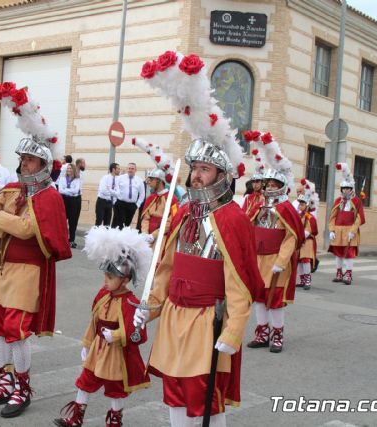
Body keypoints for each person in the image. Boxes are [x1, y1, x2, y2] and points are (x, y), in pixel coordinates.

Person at [133, 52, 262, 427]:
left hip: (208, 320)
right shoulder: (185, 212)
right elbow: (166, 267)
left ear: (221, 174)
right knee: (173, 387)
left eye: (204, 170)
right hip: (175, 314)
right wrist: (151, 306)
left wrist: (234, 330)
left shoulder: (233, 218)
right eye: (194, 170)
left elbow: (241, 283)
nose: (195, 177)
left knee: (204, 394)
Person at [0, 81, 72, 418]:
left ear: (43, 164)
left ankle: (22, 388)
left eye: (30, 160)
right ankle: (3, 384)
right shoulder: (13, 189)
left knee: (16, 332)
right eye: (23, 159)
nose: (24, 165)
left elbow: (27, 229)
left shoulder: (48, 197)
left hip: (27, 273)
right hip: (1, 268)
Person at [54, 226, 152, 427]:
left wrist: (116, 335)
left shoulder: (130, 302)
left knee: (115, 387)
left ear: (125, 280)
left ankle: (115, 421)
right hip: (97, 349)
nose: (105, 280)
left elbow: (137, 335)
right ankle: (76, 417)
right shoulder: (102, 295)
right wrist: (87, 343)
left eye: (111, 277)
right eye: (105, 275)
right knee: (85, 381)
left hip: (115, 354)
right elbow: (94, 322)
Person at [246, 131, 304, 354]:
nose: (269, 188)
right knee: (260, 297)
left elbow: (292, 237)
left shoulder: (286, 208)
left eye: (273, 184)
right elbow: (250, 230)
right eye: (267, 184)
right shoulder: (259, 205)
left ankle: (277, 334)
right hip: (258, 259)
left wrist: (281, 261)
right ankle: (261, 332)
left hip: (276, 260)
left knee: (275, 299)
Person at [132, 137, 178, 247]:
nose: (148, 182)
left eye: (151, 180)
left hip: (162, 238)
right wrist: (144, 233)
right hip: (146, 237)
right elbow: (145, 218)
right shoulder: (150, 198)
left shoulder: (173, 199)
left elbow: (171, 221)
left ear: (159, 181)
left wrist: (154, 235)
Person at [328, 162, 366, 285]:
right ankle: (339, 273)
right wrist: (332, 230)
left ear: (351, 189)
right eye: (344, 188)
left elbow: (359, 218)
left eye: (348, 188)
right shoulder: (338, 201)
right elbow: (332, 216)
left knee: (349, 254)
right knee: (338, 253)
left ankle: (348, 274)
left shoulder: (356, 201)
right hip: (338, 230)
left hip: (350, 231)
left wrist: (352, 231)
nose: (346, 190)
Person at [295, 179, 319, 290]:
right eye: (300, 204)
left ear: (307, 205)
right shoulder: (299, 216)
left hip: (307, 240)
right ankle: (302, 279)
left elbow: (310, 229)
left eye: (302, 204)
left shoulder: (309, 217)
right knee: (299, 260)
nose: (300, 206)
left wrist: (302, 235)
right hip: (299, 240)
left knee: (305, 260)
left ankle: (308, 280)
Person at [111, 163, 144, 229]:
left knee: (127, 224)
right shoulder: (120, 178)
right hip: (120, 204)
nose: (130, 170)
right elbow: (114, 190)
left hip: (132, 206)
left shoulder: (139, 180)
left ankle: (123, 238)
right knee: (119, 224)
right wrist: (114, 202)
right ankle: (115, 238)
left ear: (135, 170)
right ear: (126, 169)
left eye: (132, 169)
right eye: (129, 168)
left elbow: (142, 194)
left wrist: (137, 205)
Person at [58, 163, 82, 248]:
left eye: (70, 168)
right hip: (64, 200)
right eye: (68, 168)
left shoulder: (77, 179)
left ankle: (71, 240)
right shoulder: (62, 178)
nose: (69, 170)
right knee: (63, 220)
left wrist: (66, 190)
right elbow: (60, 190)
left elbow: (76, 191)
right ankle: (62, 240)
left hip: (74, 201)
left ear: (74, 170)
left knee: (73, 221)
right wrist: (69, 190)